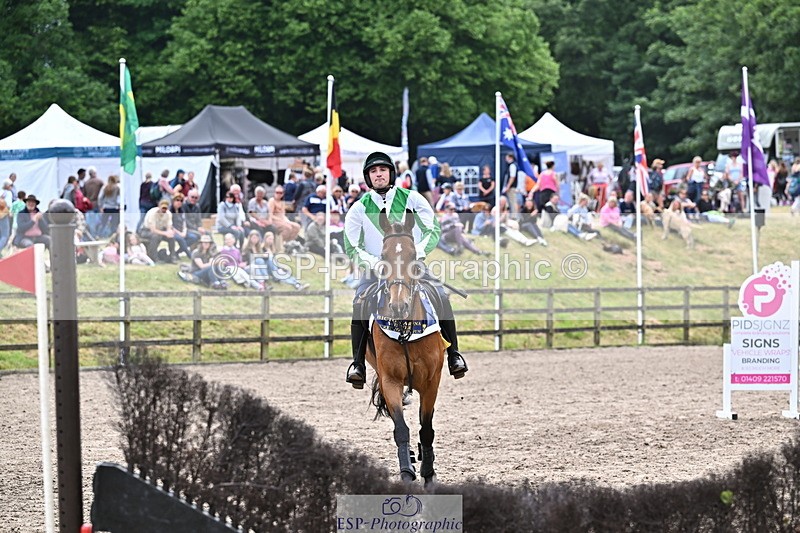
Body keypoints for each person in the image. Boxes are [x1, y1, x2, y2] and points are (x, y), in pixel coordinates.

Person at [343, 152, 468, 387]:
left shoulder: (413, 199)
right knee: (359, 302)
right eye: (373, 171)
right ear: (368, 177)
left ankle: (454, 355)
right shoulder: (358, 209)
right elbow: (352, 246)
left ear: (391, 173)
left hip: (412, 264)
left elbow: (433, 230)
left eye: (382, 170)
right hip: (377, 268)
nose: (378, 174)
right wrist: (376, 263)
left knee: (441, 295)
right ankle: (357, 363)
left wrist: (416, 254)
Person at [141, 198, 177, 262]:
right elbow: (153, 230)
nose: (164, 210)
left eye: (165, 208)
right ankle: (154, 257)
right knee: (156, 236)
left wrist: (169, 232)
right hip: (146, 230)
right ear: (159, 206)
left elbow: (169, 226)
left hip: (160, 230)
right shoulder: (152, 213)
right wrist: (165, 233)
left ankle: (172, 257)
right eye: (162, 208)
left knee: (171, 238)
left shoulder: (168, 214)